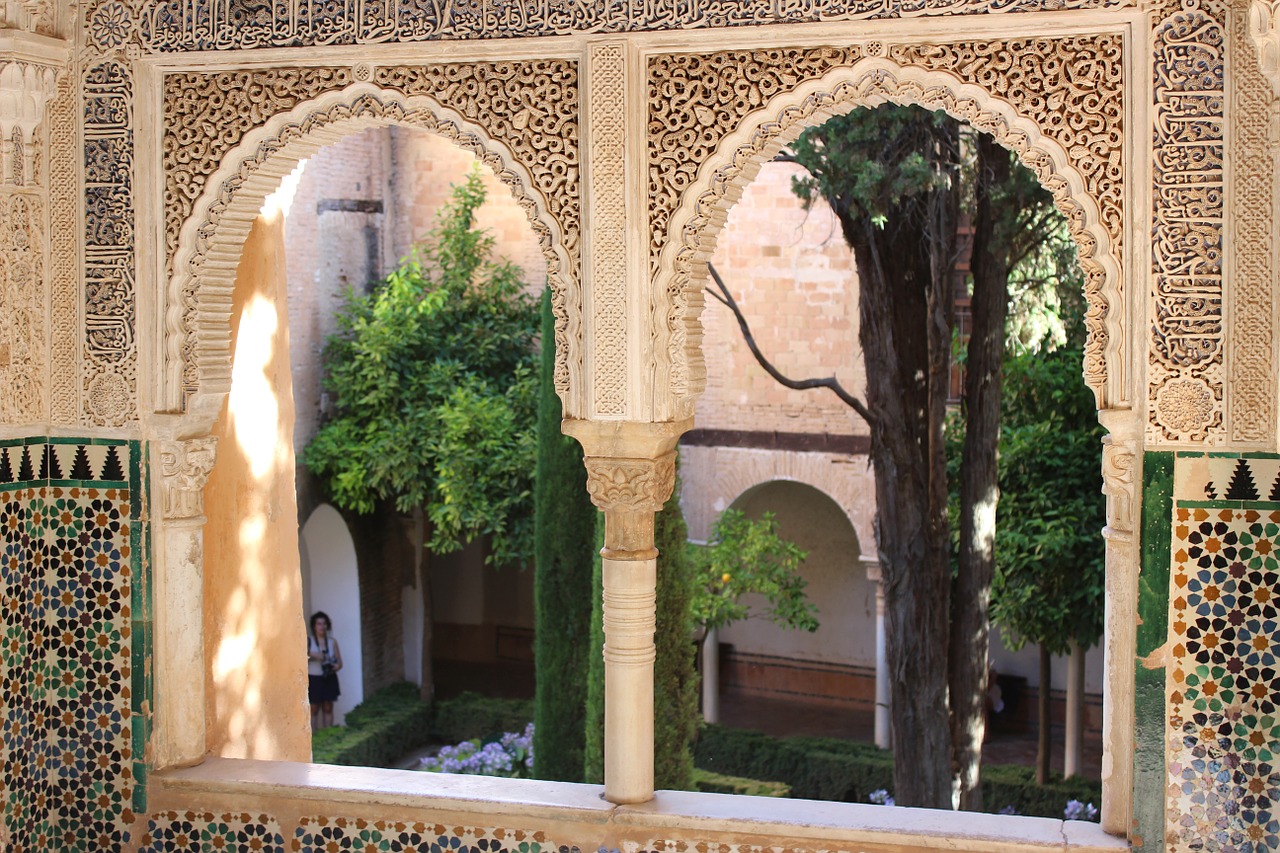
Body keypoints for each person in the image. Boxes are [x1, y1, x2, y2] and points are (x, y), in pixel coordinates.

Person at [307, 610, 343, 730]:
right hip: (314, 678)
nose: (322, 626)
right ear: (314, 626)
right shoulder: (309, 641)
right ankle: (313, 738)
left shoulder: (332, 642)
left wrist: (336, 666)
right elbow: (300, 658)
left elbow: (339, 662)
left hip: (329, 677)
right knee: (314, 708)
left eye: (324, 623)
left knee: (328, 707)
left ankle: (328, 735)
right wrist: (315, 655)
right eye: (319, 624)